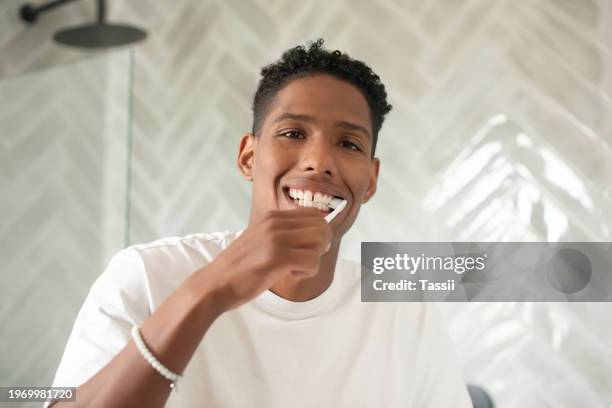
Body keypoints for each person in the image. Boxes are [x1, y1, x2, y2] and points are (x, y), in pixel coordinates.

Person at [48, 39, 472, 407]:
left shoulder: (403, 313)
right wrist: (209, 290)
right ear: (249, 157)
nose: (319, 162)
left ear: (371, 180)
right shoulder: (144, 275)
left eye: (348, 143)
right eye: (292, 133)